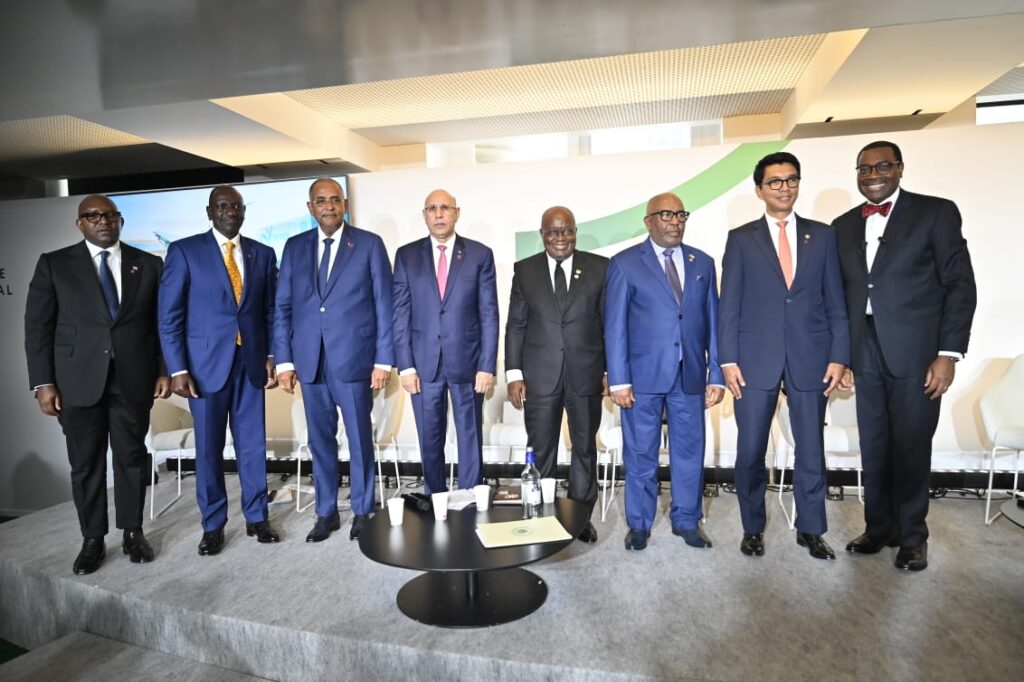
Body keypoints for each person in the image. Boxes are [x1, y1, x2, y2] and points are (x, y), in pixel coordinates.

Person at [833, 141, 976, 571]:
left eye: (882, 166)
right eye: (864, 169)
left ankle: (913, 537)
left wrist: (948, 353)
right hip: (864, 349)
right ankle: (879, 528)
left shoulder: (935, 212)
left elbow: (960, 285)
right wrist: (842, 356)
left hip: (918, 353)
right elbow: (840, 296)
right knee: (874, 445)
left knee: (912, 445)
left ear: (899, 169)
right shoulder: (843, 225)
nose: (873, 175)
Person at [24, 195, 170, 574]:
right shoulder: (55, 264)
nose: (102, 221)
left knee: (131, 458)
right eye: (93, 216)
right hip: (76, 382)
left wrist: (163, 370)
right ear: (80, 224)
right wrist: (43, 382)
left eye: (109, 215)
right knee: (85, 463)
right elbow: (38, 327)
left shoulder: (148, 264)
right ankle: (92, 539)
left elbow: (160, 324)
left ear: (120, 221)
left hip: (132, 379)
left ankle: (133, 532)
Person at [718, 152, 850, 561]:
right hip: (753, 360)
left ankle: (811, 529)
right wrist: (727, 360)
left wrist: (840, 355)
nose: (784, 187)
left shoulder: (822, 236)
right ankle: (752, 528)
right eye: (774, 181)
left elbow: (836, 301)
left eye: (791, 179)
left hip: (812, 356)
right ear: (759, 190)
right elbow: (729, 304)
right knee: (750, 451)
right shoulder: (741, 239)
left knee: (810, 449)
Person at [158, 186, 280, 556]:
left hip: (250, 364)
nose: (230, 211)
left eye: (236, 206)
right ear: (210, 212)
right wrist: (178, 368)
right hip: (203, 369)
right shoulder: (185, 251)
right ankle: (213, 525)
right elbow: (169, 316)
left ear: (244, 212)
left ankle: (257, 517)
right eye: (223, 206)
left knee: (252, 446)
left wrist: (272, 354)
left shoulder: (262, 253)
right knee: (209, 449)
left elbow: (270, 311)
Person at [274, 178, 394, 542]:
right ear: (310, 207)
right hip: (310, 363)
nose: (328, 206)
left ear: (345, 205)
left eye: (335, 200)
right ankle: (325, 512)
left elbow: (384, 305)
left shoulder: (369, 244)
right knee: (319, 442)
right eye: (321, 201)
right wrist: (284, 362)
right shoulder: (294, 247)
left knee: (359, 440)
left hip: (355, 360)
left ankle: (362, 510)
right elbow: (283, 306)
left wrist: (383, 360)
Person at [604, 193, 724, 551]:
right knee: (641, 453)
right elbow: (615, 327)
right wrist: (619, 379)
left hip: (690, 375)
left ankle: (686, 520)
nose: (675, 221)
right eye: (666, 215)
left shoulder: (703, 262)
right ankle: (639, 523)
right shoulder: (624, 264)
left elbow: (713, 324)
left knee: (690, 452)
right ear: (649, 221)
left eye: (680, 214)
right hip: (641, 378)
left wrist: (716, 374)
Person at [505, 206, 608, 543]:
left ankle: (581, 517)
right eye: (553, 232)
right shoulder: (525, 270)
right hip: (539, 375)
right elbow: (516, 325)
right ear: (542, 234)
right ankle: (540, 514)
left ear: (575, 232)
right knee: (540, 448)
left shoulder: (600, 267)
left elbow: (608, 324)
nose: (560, 238)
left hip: (586, 373)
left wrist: (610, 370)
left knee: (584, 448)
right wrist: (513, 373)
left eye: (567, 231)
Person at [392, 189, 499, 494]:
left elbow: (489, 314)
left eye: (445, 208)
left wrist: (486, 366)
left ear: (457, 212)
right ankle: (434, 499)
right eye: (432, 208)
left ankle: (470, 499)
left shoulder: (480, 254)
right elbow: (400, 314)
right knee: (429, 438)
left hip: (468, 363)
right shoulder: (406, 256)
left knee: (469, 437)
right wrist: (405, 366)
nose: (438, 214)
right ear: (424, 214)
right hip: (423, 366)